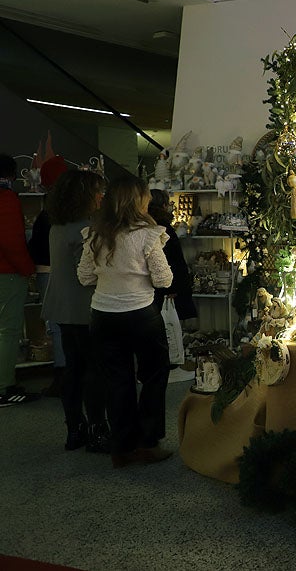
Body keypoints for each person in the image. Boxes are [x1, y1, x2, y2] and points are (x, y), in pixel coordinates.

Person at [78, 176, 174, 468]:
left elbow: (84, 277)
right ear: (140, 201)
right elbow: (164, 279)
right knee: (154, 377)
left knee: (117, 382)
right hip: (140, 314)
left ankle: (121, 448)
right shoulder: (146, 235)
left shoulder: (95, 234)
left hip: (103, 316)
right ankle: (147, 443)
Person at [43, 168, 110, 451]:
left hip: (61, 306)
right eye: (98, 192)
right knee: (94, 370)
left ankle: (75, 427)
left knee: (72, 369)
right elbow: (88, 274)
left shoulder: (57, 227)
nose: (101, 197)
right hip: (85, 307)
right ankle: (97, 428)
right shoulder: (87, 229)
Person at [27, 155, 69, 396]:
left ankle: (62, 374)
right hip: (71, 274)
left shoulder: (48, 213)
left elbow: (39, 248)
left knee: (56, 326)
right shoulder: (74, 209)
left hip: (48, 272)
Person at [0, 154, 35, 406]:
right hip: (6, 274)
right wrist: (27, 269)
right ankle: (4, 387)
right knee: (7, 332)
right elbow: (12, 241)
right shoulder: (6, 199)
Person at [147, 189, 197, 328]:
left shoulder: (147, 225)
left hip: (151, 288)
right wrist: (174, 287)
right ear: (163, 205)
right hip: (166, 286)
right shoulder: (163, 228)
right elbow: (173, 259)